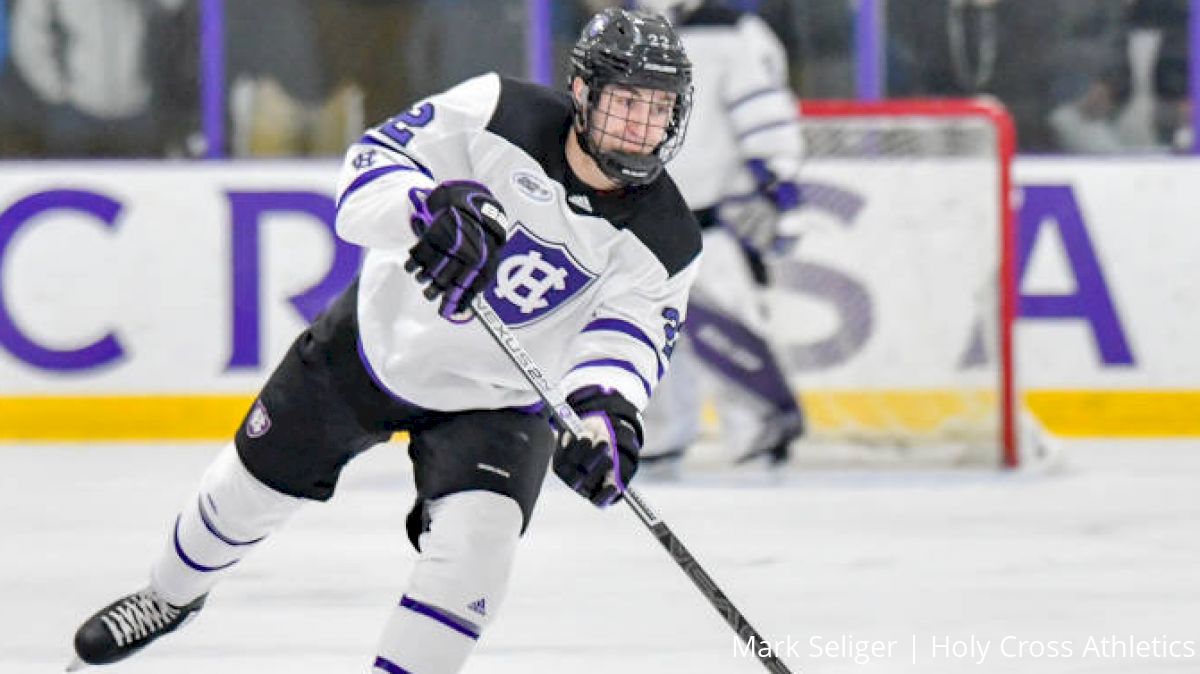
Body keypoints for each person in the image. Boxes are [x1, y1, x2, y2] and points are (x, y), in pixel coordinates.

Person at [69, 8, 699, 672]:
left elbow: (626, 340)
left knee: (476, 559)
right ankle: (168, 597)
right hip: (375, 348)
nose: (641, 124)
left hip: (499, 402)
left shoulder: (669, 239)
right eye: (627, 100)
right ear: (582, 93)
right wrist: (424, 209)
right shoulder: (494, 110)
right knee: (243, 490)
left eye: (658, 108)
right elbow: (369, 169)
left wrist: (605, 415)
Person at [634, 0, 806, 474]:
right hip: (644, 218)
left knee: (727, 325)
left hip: (711, 219)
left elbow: (765, 113)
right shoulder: (634, 31)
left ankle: (759, 430)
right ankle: (659, 436)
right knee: (648, 334)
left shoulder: (733, 33)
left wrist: (777, 180)